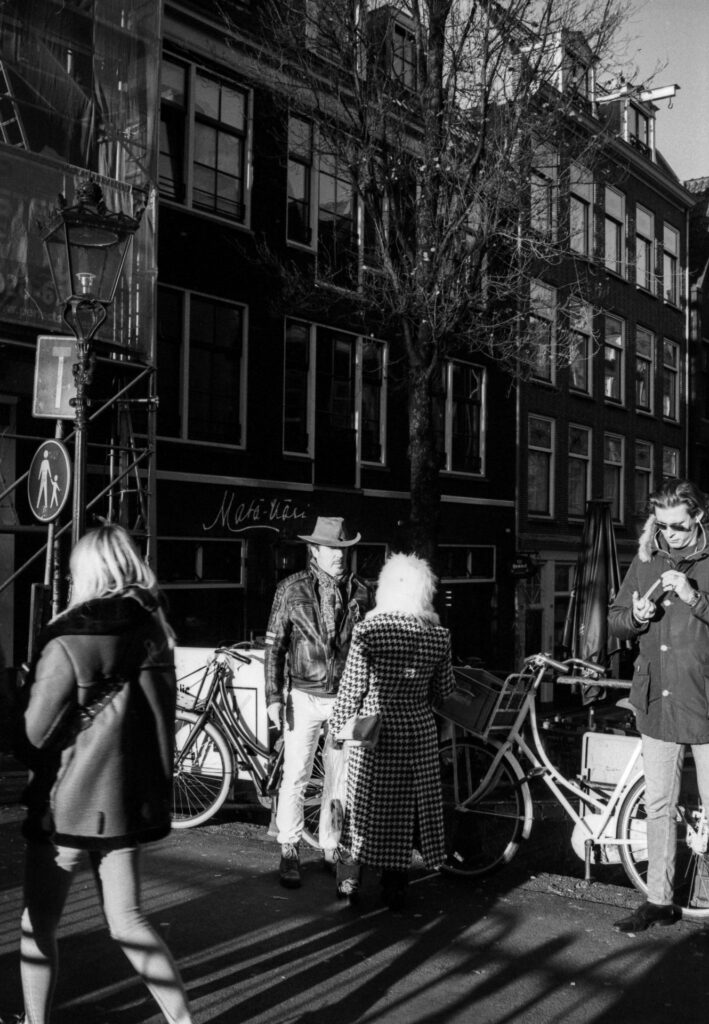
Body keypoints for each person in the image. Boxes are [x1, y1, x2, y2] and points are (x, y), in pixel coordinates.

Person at [18, 524, 193, 1024]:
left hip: (65, 807)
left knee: (39, 924)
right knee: (128, 920)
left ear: (84, 572)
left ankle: (35, 1022)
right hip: (125, 803)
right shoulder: (154, 629)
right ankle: (183, 1021)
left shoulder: (69, 638)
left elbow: (32, 737)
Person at [609, 477, 709, 933]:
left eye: (680, 527)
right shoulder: (646, 558)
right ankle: (659, 900)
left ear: (699, 519)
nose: (671, 534)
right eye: (663, 525)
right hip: (656, 700)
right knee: (658, 803)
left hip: (704, 700)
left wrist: (694, 597)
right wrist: (635, 617)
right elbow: (615, 621)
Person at [328, 552, 455, 910]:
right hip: (418, 732)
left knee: (362, 806)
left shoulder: (369, 631)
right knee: (403, 810)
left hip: (373, 732)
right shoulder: (439, 636)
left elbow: (351, 688)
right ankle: (396, 886)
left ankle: (350, 879)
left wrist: (336, 729)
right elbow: (444, 692)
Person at [265, 516, 372, 888]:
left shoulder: (361, 591)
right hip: (303, 695)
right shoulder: (290, 589)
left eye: (344, 549)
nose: (340, 556)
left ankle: (330, 845)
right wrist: (273, 697)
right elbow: (275, 646)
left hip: (345, 696)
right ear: (315, 550)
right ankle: (290, 847)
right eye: (333, 549)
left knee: (340, 779)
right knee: (296, 774)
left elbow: (367, 649)